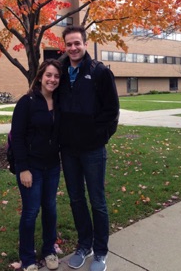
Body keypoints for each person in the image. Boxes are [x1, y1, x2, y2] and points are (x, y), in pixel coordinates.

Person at [58, 26, 119, 271]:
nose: (73, 48)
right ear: (65, 46)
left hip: (93, 150)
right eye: (69, 44)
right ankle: (84, 245)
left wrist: (99, 136)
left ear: (84, 43)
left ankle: (101, 252)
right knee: (75, 199)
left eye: (77, 43)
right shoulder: (60, 71)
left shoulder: (99, 72)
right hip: (68, 150)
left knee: (97, 201)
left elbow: (111, 111)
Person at [11, 59, 62, 271]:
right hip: (31, 167)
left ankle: (49, 249)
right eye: (49, 75)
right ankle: (28, 258)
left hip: (52, 166)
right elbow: (17, 138)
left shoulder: (60, 101)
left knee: (50, 208)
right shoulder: (27, 102)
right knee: (31, 212)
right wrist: (23, 168)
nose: (52, 79)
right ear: (40, 76)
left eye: (57, 76)